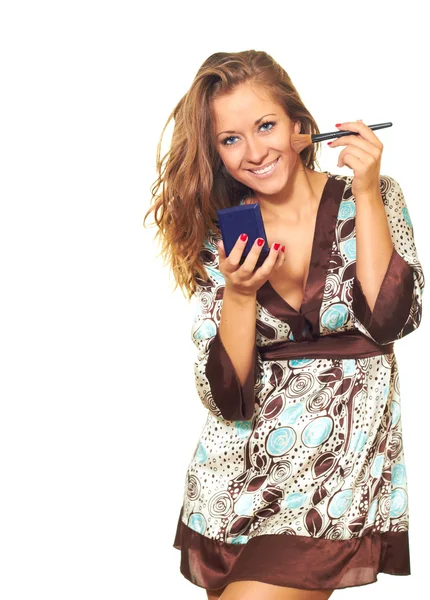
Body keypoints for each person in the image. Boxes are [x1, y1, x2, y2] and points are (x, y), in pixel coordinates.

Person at [143, 50, 425, 599]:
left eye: (266, 125)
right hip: (235, 480)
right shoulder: (221, 237)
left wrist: (366, 189)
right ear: (216, 153)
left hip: (335, 474)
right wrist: (241, 293)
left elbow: (392, 318)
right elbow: (225, 394)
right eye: (230, 139)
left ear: (300, 127)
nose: (253, 152)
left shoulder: (376, 197)